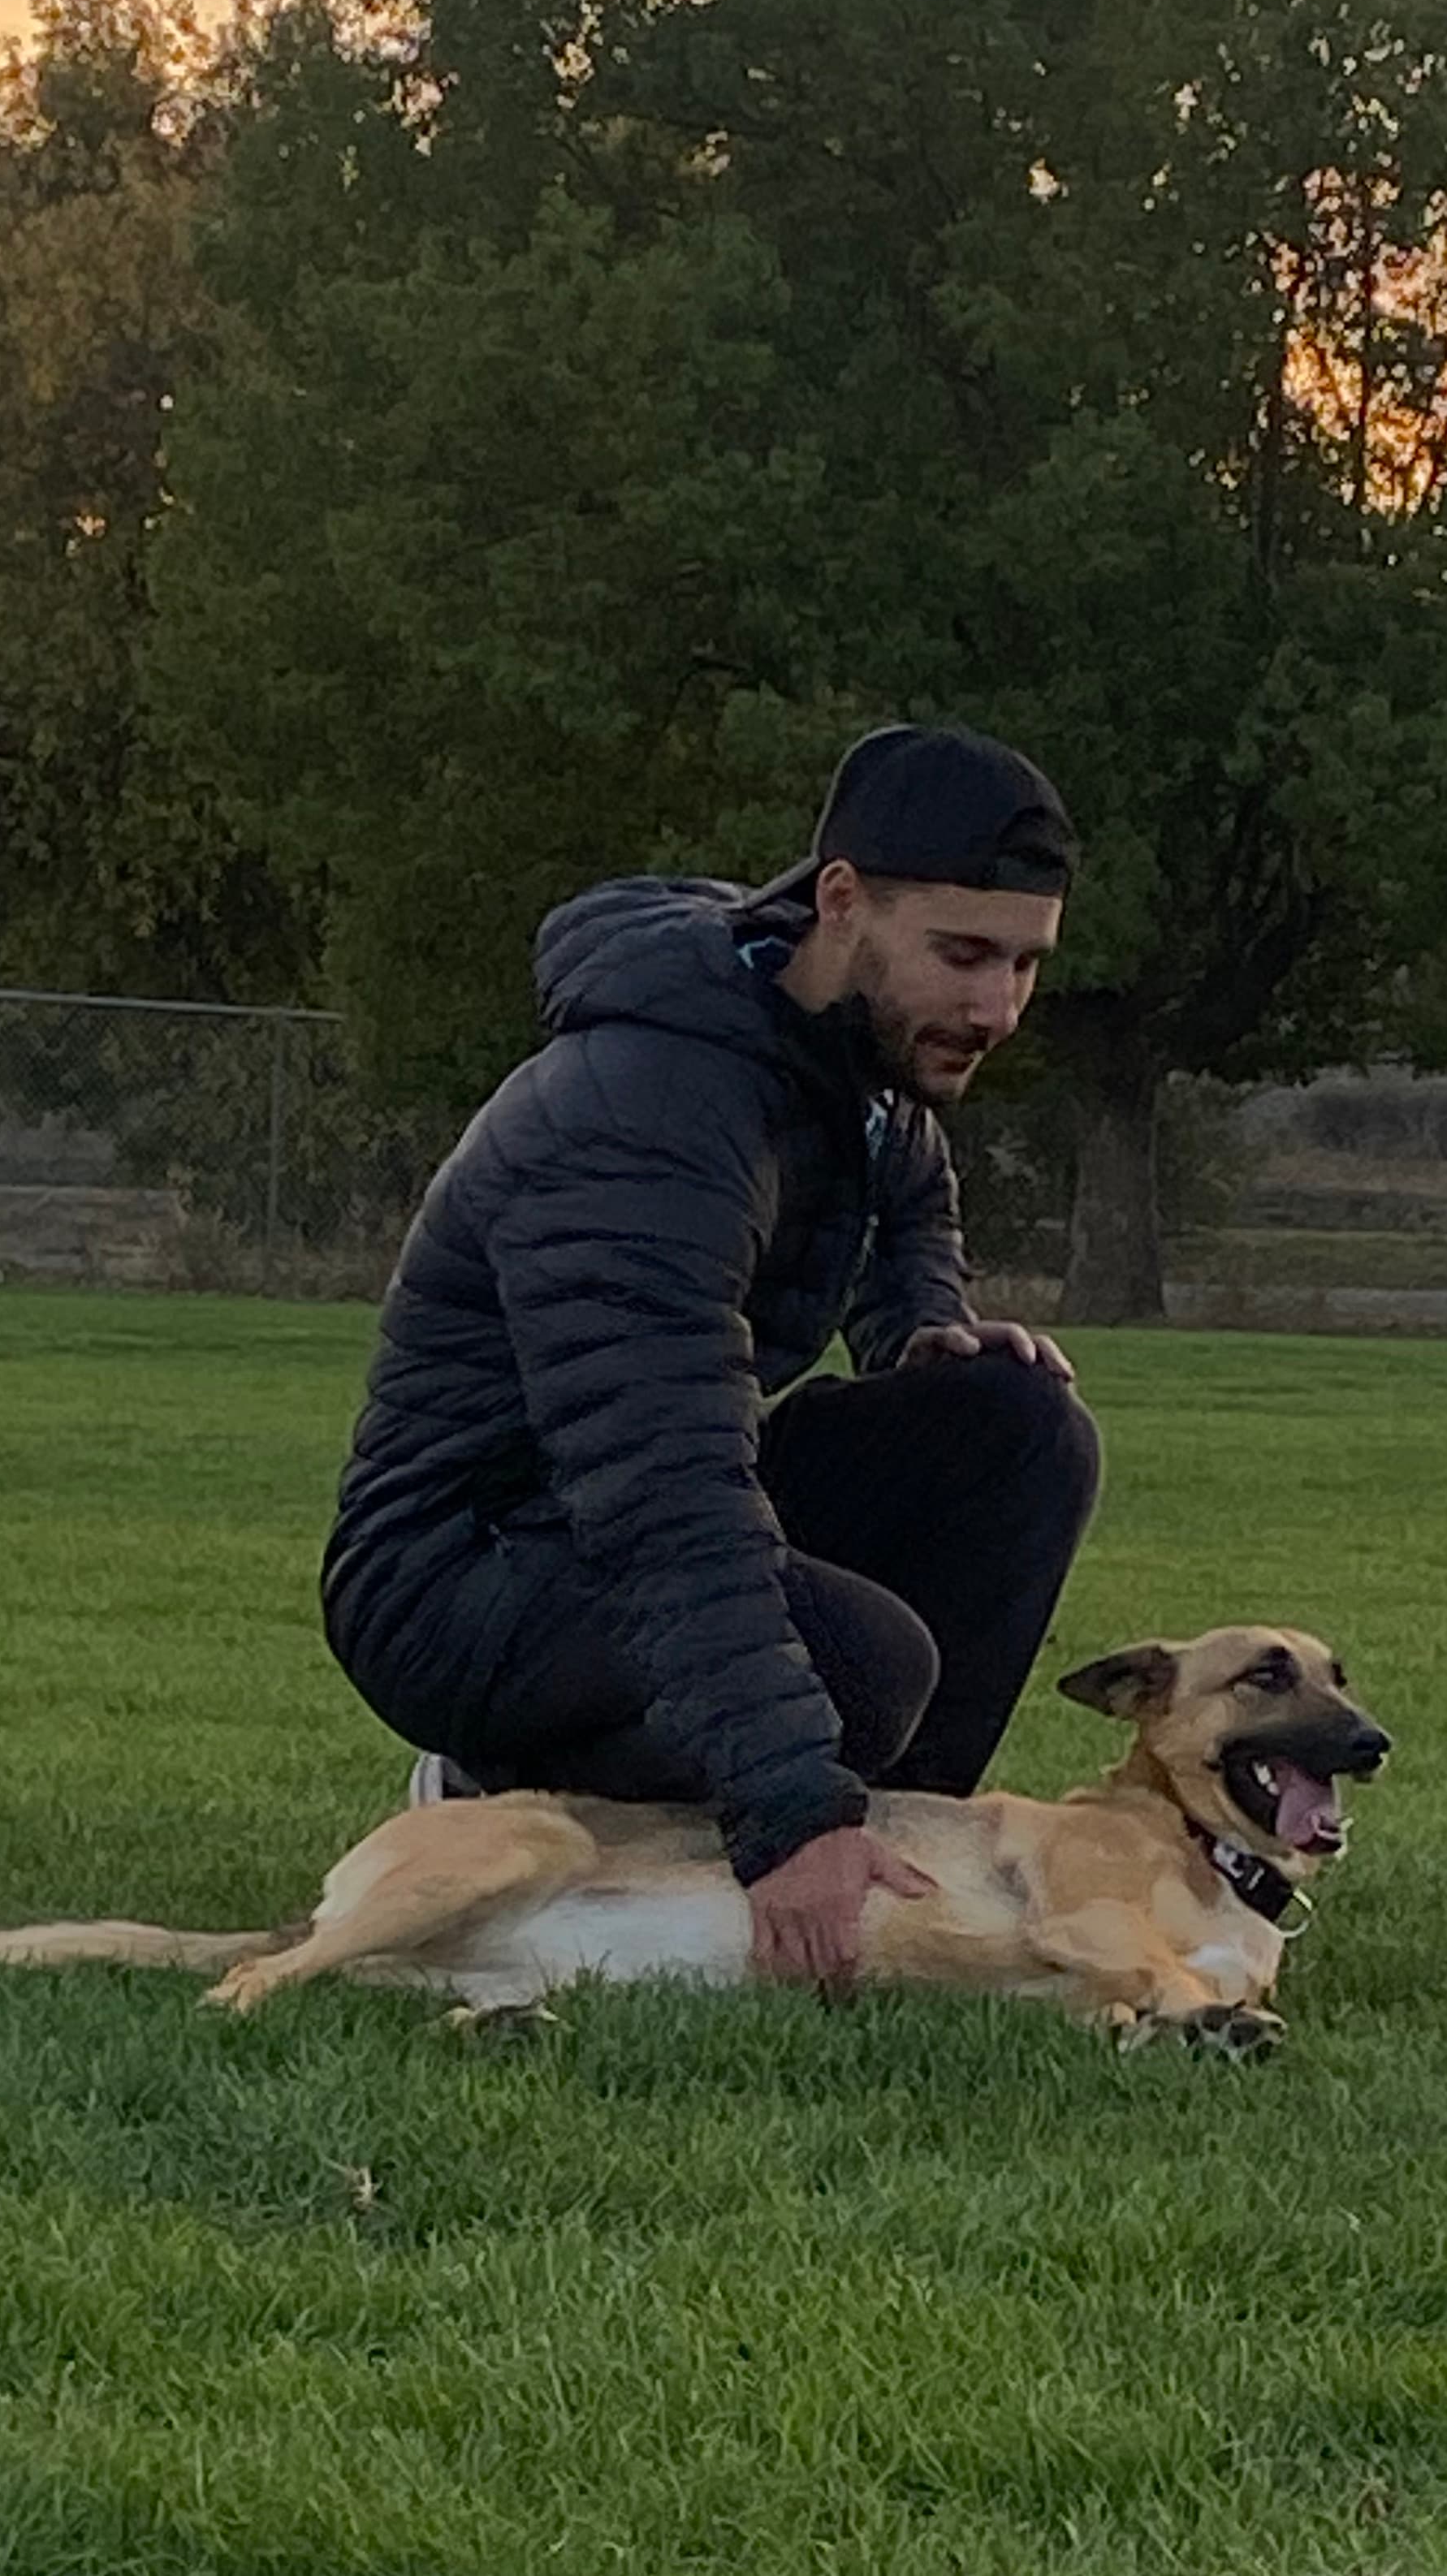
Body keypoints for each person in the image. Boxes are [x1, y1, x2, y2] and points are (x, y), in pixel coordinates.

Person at [320, 724, 1102, 1991]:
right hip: (461, 1569)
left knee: (1014, 1424)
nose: (997, 1008)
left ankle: (893, 1881)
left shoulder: (849, 1050)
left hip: (604, 1515)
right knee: (862, 1665)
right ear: (840, 902)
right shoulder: (645, 1108)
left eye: (1026, 964)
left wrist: (921, 1321)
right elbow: (661, 1485)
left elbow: (907, 1181)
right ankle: (506, 1782)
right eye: (963, 955)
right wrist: (790, 1799)